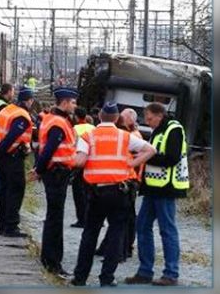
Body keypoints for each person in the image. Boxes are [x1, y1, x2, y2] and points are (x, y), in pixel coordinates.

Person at [70, 102, 156, 287]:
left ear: (100, 116)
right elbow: (151, 150)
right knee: (116, 233)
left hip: (96, 191)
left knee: (90, 233)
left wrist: (69, 158)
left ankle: (80, 278)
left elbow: (80, 161)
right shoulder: (125, 136)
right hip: (119, 191)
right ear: (117, 118)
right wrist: (131, 164)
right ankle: (107, 278)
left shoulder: (88, 136)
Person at [125, 103, 189, 286]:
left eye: (150, 118)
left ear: (160, 115)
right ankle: (145, 272)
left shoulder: (174, 129)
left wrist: (145, 155)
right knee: (142, 226)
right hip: (153, 187)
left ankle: (171, 274)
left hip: (167, 188)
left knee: (167, 230)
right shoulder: (158, 131)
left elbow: (171, 158)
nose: (147, 122)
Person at [28, 86, 78, 278]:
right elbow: (48, 150)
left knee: (53, 217)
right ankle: (53, 262)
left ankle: (49, 259)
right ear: (64, 102)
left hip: (54, 173)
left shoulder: (52, 119)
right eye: (73, 102)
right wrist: (38, 170)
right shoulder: (59, 123)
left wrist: (40, 169)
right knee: (55, 219)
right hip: (57, 173)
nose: (75, 105)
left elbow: (44, 150)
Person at [95, 108, 143, 260]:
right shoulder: (128, 134)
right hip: (126, 179)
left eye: (122, 118)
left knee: (124, 218)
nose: (119, 119)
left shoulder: (132, 136)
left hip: (128, 180)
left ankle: (122, 250)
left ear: (131, 120)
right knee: (123, 217)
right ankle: (114, 248)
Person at [0, 86, 35, 237]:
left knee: (5, 190)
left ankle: (3, 225)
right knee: (16, 190)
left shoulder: (7, 110)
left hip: (4, 155)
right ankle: (11, 226)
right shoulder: (22, 116)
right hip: (12, 156)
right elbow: (11, 136)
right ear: (29, 100)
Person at [70, 107, 95, 228]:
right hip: (92, 163)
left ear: (76, 117)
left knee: (78, 192)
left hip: (80, 162)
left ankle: (81, 219)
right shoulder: (93, 128)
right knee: (89, 192)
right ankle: (90, 217)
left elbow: (73, 145)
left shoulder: (75, 128)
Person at [0, 84, 16, 200]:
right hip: (0, 138)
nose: (14, 94)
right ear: (9, 92)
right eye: (13, 91)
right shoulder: (3, 106)